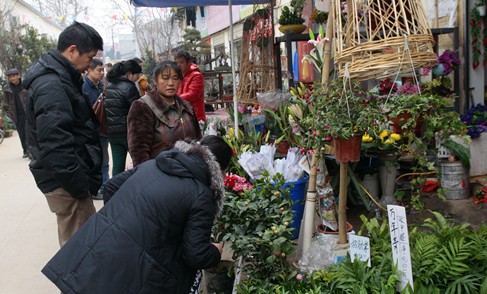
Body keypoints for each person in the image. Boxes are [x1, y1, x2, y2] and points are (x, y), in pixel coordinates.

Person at [42, 135, 233, 294]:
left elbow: (111, 188)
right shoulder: (202, 194)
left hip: (97, 252)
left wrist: (123, 221)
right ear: (220, 169)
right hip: (130, 271)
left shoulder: (154, 165)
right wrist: (215, 251)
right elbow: (196, 254)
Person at [22, 21, 104, 247]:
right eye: (89, 58)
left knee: (80, 247)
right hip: (66, 182)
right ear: (72, 50)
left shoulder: (61, 77)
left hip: (68, 177)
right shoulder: (52, 84)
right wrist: (79, 186)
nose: (89, 65)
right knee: (80, 251)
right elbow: (55, 144)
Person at [128, 60, 202, 166]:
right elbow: (139, 151)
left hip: (189, 173)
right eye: (165, 78)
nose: (171, 83)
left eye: (175, 78)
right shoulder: (143, 107)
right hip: (161, 174)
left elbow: (198, 140)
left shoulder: (186, 106)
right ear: (155, 81)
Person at [104, 59, 141, 176]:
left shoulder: (109, 85)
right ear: (129, 74)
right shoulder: (129, 87)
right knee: (139, 163)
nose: (138, 78)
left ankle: (115, 190)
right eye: (137, 75)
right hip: (129, 133)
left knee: (118, 167)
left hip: (113, 134)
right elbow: (138, 111)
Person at [82, 58, 109, 200]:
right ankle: (96, 188)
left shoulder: (101, 86)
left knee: (104, 160)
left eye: (103, 70)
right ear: (89, 70)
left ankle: (105, 186)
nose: (102, 73)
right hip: (90, 131)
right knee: (94, 160)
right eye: (99, 70)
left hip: (102, 129)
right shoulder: (83, 87)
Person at [3, 68, 29, 158]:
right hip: (16, 114)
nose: (12, 78)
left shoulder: (25, 85)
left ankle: (33, 150)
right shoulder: (7, 88)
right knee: (21, 133)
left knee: (30, 131)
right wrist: (9, 112)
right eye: (10, 77)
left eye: (14, 76)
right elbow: (6, 102)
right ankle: (26, 151)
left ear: (18, 76)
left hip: (27, 111)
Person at [175, 51, 206, 122]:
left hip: (195, 116)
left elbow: (193, 94)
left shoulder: (196, 75)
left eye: (181, 62)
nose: (178, 65)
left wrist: (174, 98)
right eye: (177, 63)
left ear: (189, 63)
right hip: (182, 115)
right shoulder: (178, 76)